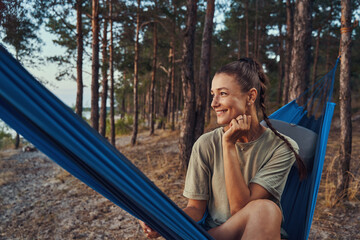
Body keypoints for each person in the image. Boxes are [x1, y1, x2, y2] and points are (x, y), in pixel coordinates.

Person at [139, 58, 306, 239]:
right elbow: (195, 208)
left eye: (223, 93)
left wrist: (228, 145)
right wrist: (163, 222)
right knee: (266, 209)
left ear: (251, 96)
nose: (214, 103)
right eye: (213, 94)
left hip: (260, 230)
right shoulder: (205, 144)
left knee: (266, 209)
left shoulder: (281, 147)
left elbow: (241, 209)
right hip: (217, 234)